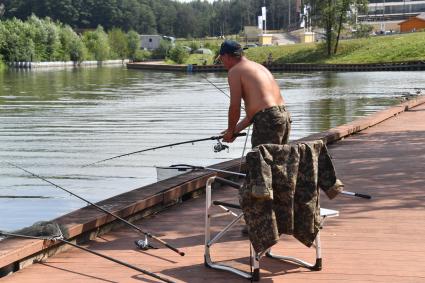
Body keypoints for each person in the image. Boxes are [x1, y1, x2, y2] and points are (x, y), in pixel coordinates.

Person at [217, 40, 291, 148]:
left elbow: (234, 107)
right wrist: (233, 131)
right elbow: (258, 113)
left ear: (227, 56)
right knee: (278, 161)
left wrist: (230, 131)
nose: (222, 64)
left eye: (221, 59)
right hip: (284, 116)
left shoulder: (235, 71)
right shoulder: (258, 67)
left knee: (261, 162)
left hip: (268, 119)